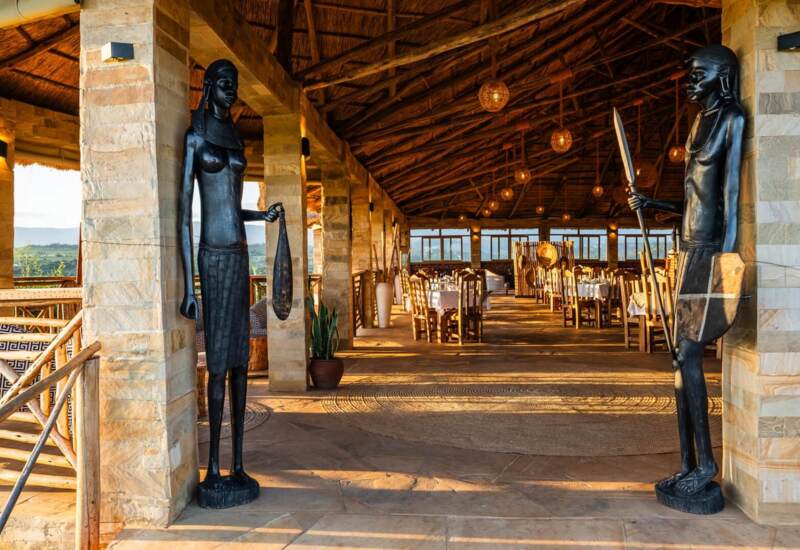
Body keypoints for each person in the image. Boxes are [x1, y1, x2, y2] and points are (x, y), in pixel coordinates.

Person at [628, 45, 744, 497]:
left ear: (723, 77)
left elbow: (729, 203)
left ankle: (706, 465)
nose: (692, 82)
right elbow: (695, 201)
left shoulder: (732, 120)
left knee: (689, 356)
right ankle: (688, 463)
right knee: (679, 360)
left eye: (700, 74)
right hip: (687, 249)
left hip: (711, 254)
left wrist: (726, 265)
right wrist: (654, 205)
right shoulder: (699, 123)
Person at [179, 59, 283, 506]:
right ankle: (214, 467)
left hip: (240, 254)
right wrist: (188, 286)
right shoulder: (195, 135)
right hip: (213, 257)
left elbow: (230, 204)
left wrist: (261, 216)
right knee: (218, 362)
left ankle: (239, 463)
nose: (231, 92)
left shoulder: (235, 136)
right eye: (224, 85)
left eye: (234, 85)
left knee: (240, 361)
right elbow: (185, 213)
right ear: (208, 87)